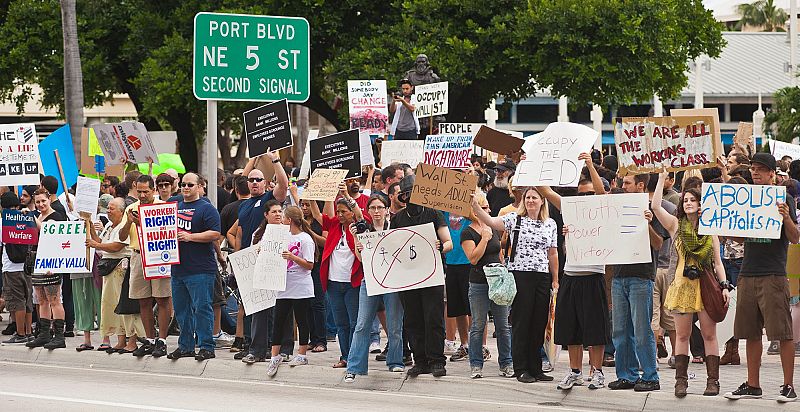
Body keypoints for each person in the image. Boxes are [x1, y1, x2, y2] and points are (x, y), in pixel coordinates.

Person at [725, 153, 799, 403]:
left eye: (761, 169)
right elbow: (741, 238)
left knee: (782, 332)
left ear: (772, 174)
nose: (755, 173)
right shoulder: (748, 199)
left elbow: (795, 237)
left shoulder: (783, 198)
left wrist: (786, 216)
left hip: (773, 273)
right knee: (749, 331)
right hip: (748, 271)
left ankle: (788, 385)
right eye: (753, 169)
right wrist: (725, 231)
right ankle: (753, 384)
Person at [651, 171, 731, 397]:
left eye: (692, 200)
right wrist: (661, 177)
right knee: (682, 336)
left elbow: (718, 262)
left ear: (700, 204)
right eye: (685, 200)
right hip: (682, 286)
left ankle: (713, 382)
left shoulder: (709, 229)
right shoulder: (676, 226)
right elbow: (656, 207)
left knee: (709, 335)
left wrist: (724, 285)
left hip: (705, 286)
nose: (687, 203)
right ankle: (681, 382)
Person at [537, 153, 610, 390]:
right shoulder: (570, 209)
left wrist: (589, 164)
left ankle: (597, 372)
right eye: (582, 194)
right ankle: (575, 371)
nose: (586, 198)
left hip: (593, 275)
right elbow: (546, 192)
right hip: (571, 275)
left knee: (595, 328)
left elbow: (601, 193)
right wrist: (529, 165)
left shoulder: (602, 209)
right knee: (571, 329)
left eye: (589, 194)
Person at [472, 186, 557, 383]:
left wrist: (555, 279)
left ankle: (536, 367)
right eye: (527, 197)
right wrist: (476, 206)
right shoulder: (514, 219)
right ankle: (521, 368)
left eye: (534, 197)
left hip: (542, 276)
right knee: (522, 322)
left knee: (538, 323)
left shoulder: (550, 224)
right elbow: (491, 222)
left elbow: (552, 252)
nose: (530, 201)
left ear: (542, 201)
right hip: (520, 275)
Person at [605, 174, 664, 392]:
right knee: (620, 330)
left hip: (641, 277)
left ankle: (650, 375)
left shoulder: (651, 210)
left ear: (640, 185)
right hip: (619, 276)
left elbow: (658, 244)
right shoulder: (616, 209)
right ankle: (626, 375)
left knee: (641, 330)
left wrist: (646, 223)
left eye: (627, 183)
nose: (623, 187)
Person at [392, 175, 454, 377]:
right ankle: (420, 360)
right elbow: (391, 244)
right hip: (408, 276)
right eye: (408, 195)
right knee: (412, 319)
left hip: (431, 274)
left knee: (433, 317)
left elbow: (448, 242)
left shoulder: (434, 214)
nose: (413, 198)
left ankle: (437, 360)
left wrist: (441, 246)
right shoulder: (398, 218)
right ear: (404, 197)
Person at [344, 196, 406, 382]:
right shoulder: (365, 229)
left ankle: (395, 361)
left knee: (395, 325)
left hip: (392, 281)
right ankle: (354, 366)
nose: (377, 211)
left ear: (387, 209)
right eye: (373, 208)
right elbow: (361, 259)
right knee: (362, 324)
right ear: (368, 211)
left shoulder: (394, 228)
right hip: (369, 280)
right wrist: (356, 238)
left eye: (380, 207)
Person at [167, 173, 223, 361]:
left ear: (200, 186)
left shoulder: (206, 209)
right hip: (178, 268)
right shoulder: (174, 207)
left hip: (200, 268)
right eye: (183, 184)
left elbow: (215, 233)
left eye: (190, 184)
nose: (186, 187)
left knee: (202, 308)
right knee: (182, 310)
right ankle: (185, 346)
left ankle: (207, 346)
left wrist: (190, 237)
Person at [310, 183, 365, 369]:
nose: (340, 214)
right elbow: (317, 216)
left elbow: (359, 214)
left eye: (343, 211)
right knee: (341, 324)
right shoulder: (334, 225)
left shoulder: (358, 226)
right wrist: (310, 196)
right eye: (338, 211)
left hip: (352, 283)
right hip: (333, 284)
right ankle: (345, 356)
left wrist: (345, 194)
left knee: (354, 322)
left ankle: (355, 358)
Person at [118, 174, 172, 357]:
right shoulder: (131, 209)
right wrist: (129, 223)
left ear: (154, 191)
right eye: (139, 191)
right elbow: (122, 237)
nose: (141, 195)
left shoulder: (163, 208)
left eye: (145, 192)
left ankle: (162, 340)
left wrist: (142, 223)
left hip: (158, 255)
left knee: (162, 298)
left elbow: (166, 234)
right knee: (143, 300)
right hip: (137, 255)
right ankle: (149, 339)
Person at [462, 194, 513, 379]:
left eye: (488, 207)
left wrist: (504, 271)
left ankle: (506, 363)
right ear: (474, 210)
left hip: (497, 282)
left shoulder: (493, 228)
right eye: (484, 208)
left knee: (503, 325)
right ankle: (476, 364)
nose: (488, 211)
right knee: (478, 325)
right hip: (478, 283)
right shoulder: (467, 232)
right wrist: (484, 238)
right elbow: (473, 258)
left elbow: (499, 252)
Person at [87, 197, 145, 353]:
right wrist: (91, 228)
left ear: (121, 211)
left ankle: (131, 340)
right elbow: (101, 241)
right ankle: (120, 340)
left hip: (121, 269)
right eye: (108, 208)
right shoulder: (109, 226)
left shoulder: (124, 226)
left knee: (125, 305)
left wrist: (96, 245)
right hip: (109, 270)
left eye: (112, 208)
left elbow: (116, 246)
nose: (108, 211)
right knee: (112, 305)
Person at [266, 206, 317, 377]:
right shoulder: (283, 236)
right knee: (278, 320)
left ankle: (302, 353)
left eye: (284, 217)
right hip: (283, 285)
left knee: (302, 320)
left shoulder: (305, 239)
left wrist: (293, 257)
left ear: (290, 220)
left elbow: (310, 264)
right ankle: (275, 355)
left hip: (300, 285)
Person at [26, 188, 68, 349]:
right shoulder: (38, 216)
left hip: (52, 263)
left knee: (54, 299)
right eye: (37, 202)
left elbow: (45, 230)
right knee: (41, 299)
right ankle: (44, 334)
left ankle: (59, 336)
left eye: (43, 201)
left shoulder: (56, 216)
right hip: (37, 262)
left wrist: (32, 216)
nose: (41, 204)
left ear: (49, 199)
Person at [1, 192, 34, 343]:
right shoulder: (27, 218)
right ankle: (28, 331)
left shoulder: (4, 223)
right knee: (27, 299)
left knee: (17, 300)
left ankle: (20, 334)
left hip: (11, 267)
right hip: (27, 266)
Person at [443, 209, 473, 362]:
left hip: (469, 261)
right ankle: (465, 344)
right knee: (458, 307)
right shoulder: (443, 210)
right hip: (451, 262)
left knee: (473, 308)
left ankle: (479, 345)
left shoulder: (469, 206)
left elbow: (480, 220)